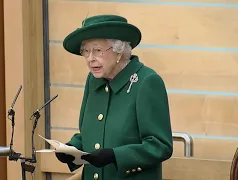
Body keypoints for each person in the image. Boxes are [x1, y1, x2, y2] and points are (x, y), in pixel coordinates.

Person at [55, 14, 173, 180]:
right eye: (86, 51)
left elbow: (160, 146)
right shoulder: (93, 80)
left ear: (119, 51)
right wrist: (72, 149)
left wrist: (115, 156)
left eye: (97, 50)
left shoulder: (147, 82)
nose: (90, 59)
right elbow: (92, 132)